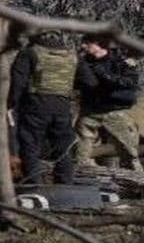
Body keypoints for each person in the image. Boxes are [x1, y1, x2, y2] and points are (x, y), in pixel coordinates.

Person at [11, 31, 77, 185]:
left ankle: (34, 184)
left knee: (30, 146)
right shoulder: (71, 55)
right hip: (63, 107)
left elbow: (18, 82)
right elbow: (88, 80)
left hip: (35, 106)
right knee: (63, 148)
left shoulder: (30, 52)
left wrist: (11, 104)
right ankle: (65, 183)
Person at [76, 37, 141, 170]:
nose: (83, 46)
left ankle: (135, 177)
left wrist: (104, 75)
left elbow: (129, 82)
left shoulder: (120, 62)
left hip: (115, 111)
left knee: (129, 150)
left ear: (99, 45)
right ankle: (84, 174)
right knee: (81, 151)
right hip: (90, 111)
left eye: (87, 43)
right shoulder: (84, 62)